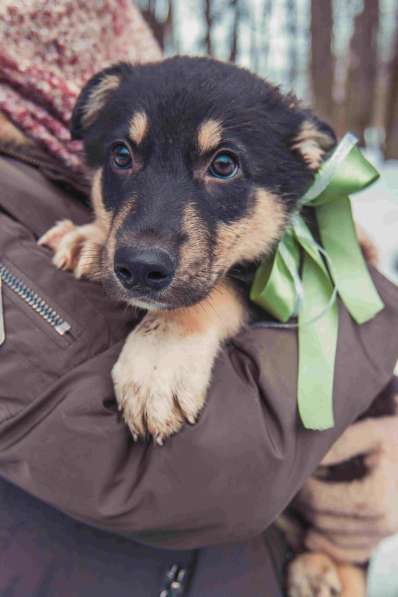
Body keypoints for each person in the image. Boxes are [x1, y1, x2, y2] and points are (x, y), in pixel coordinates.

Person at [0, 2, 397, 595]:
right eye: (124, 157)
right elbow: (206, 476)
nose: (144, 245)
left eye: (225, 165)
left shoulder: (130, 100)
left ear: (302, 166)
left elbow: (360, 304)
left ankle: (333, 559)